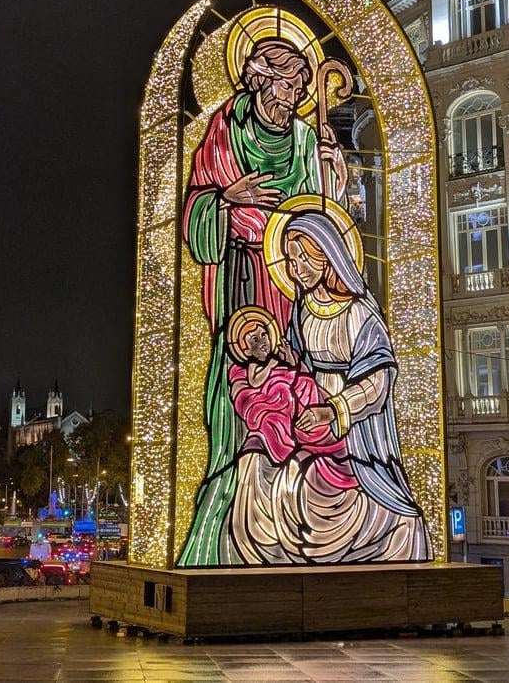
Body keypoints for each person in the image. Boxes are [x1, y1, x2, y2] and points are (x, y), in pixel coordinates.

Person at [178, 37, 347, 566]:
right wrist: (227, 199)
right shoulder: (224, 130)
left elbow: (324, 214)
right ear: (257, 79)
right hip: (239, 275)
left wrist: (334, 173)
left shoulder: (304, 137)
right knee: (236, 384)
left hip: (290, 277)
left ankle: (294, 507)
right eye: (285, 85)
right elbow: (194, 209)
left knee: (295, 374)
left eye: (299, 87)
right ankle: (231, 492)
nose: (292, 97)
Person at [275, 210, 431, 562]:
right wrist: (291, 362)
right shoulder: (302, 310)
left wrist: (333, 410)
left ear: (326, 254)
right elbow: (303, 363)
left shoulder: (360, 313)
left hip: (354, 424)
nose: (296, 269)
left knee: (346, 493)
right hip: (311, 416)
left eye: (303, 257)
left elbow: (377, 381)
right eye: (291, 260)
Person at [225, 304, 348, 564]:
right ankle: (258, 538)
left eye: (264, 335)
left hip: (295, 427)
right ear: (243, 348)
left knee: (298, 467)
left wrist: (293, 368)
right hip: (268, 431)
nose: (262, 342)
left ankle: (295, 534)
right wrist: (274, 383)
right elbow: (248, 401)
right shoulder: (239, 372)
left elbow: (304, 387)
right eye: (254, 339)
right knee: (252, 465)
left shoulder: (285, 365)